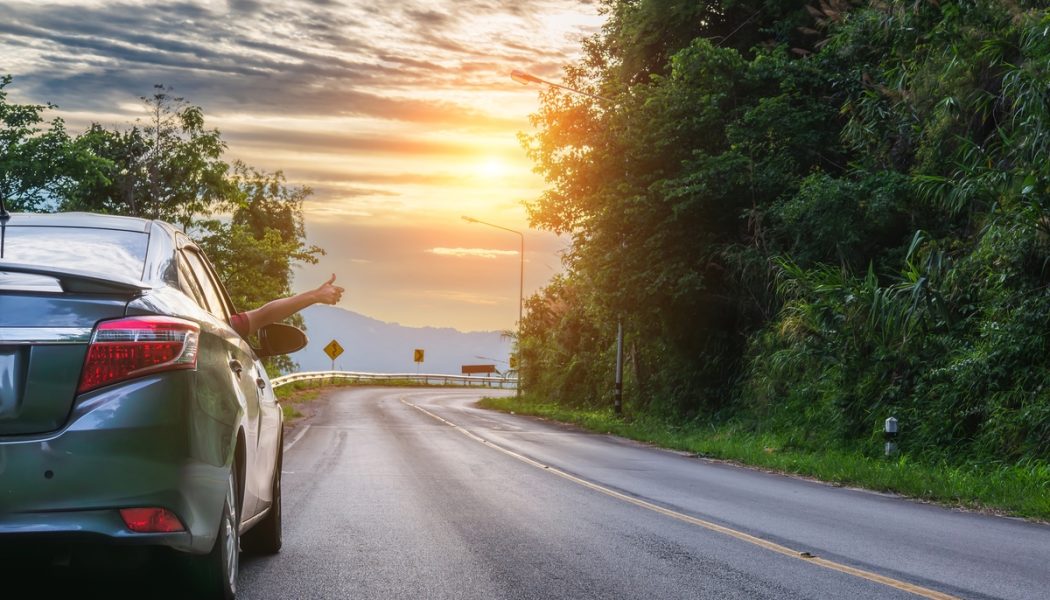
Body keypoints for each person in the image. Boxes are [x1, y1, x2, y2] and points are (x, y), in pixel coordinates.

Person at [230, 274, 344, 338]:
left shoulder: (220, 327)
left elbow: (263, 316)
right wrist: (315, 296)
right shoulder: (221, 328)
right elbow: (263, 316)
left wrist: (315, 296)